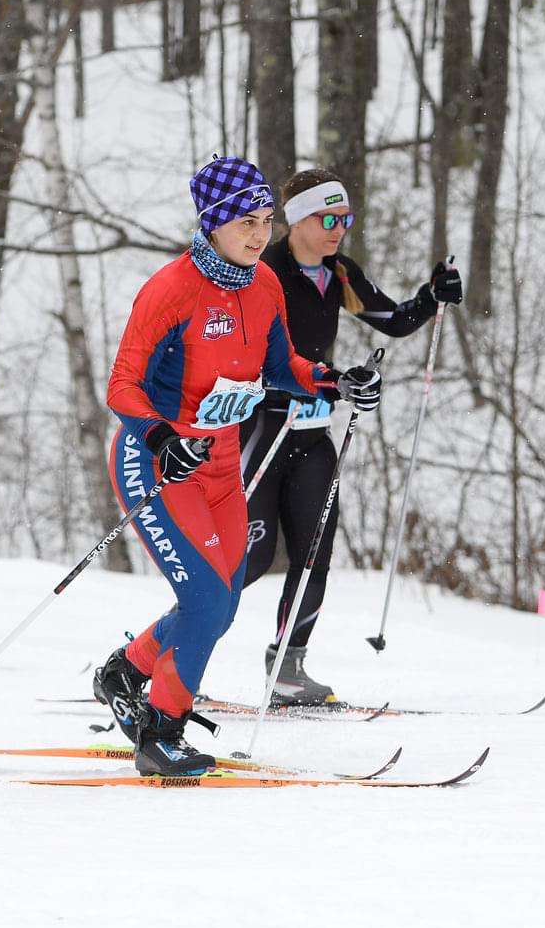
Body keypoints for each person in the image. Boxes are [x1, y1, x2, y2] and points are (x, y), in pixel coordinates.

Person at [90, 158, 380, 776]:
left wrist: (335, 380)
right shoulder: (171, 290)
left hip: (220, 465)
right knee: (202, 601)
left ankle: (126, 670)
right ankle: (159, 734)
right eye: (247, 222)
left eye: (266, 221)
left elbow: (281, 368)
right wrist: (163, 435)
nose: (258, 235)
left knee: (221, 603)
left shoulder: (263, 286)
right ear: (215, 224)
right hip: (158, 462)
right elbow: (121, 387)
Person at [238, 169, 458, 703]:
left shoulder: (338, 273)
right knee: (248, 558)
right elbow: (252, 359)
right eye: (328, 218)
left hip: (313, 434)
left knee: (314, 551)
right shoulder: (266, 273)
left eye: (345, 218)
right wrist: (332, 381)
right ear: (297, 221)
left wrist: (433, 297)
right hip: (263, 427)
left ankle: (287, 668)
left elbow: (395, 320)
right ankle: (163, 653)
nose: (339, 229)